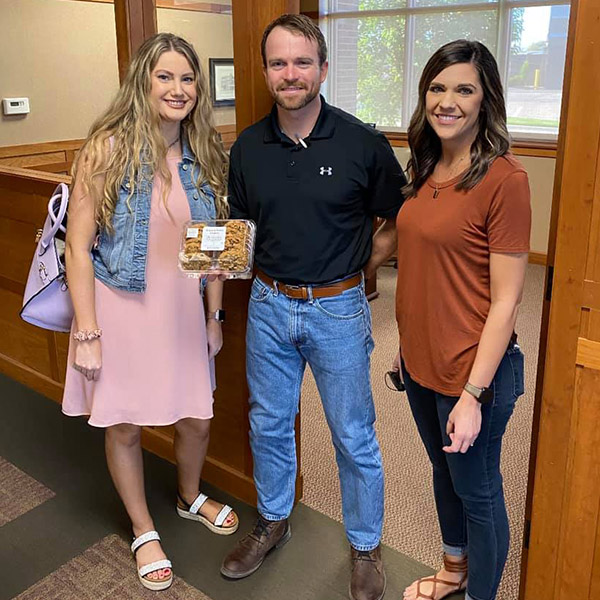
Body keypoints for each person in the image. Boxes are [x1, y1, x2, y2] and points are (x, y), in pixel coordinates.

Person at [221, 14, 405, 600]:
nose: (290, 73)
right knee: (268, 423)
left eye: (302, 62)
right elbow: (240, 231)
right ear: (266, 71)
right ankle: (273, 520)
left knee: (353, 435)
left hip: (338, 311)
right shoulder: (248, 146)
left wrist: (363, 273)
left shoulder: (362, 144)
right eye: (278, 63)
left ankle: (365, 545)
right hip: (270, 305)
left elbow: (397, 218)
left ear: (323, 68)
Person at [62, 33, 238, 592]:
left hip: (183, 312)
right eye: (165, 77)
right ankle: (143, 530)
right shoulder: (106, 148)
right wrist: (86, 331)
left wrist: (215, 317)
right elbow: (78, 245)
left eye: (188, 79)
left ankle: (188, 497)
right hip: (119, 309)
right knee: (125, 424)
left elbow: (214, 248)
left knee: (197, 417)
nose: (178, 89)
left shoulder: (206, 149)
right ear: (142, 81)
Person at [393, 40, 530, 600]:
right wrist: (405, 343)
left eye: (463, 89)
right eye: (437, 88)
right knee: (443, 473)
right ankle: (454, 571)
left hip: (473, 374)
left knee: (478, 491)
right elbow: (424, 269)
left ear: (485, 100)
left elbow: (507, 301)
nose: (447, 101)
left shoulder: (505, 179)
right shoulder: (427, 165)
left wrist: (474, 394)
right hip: (421, 361)